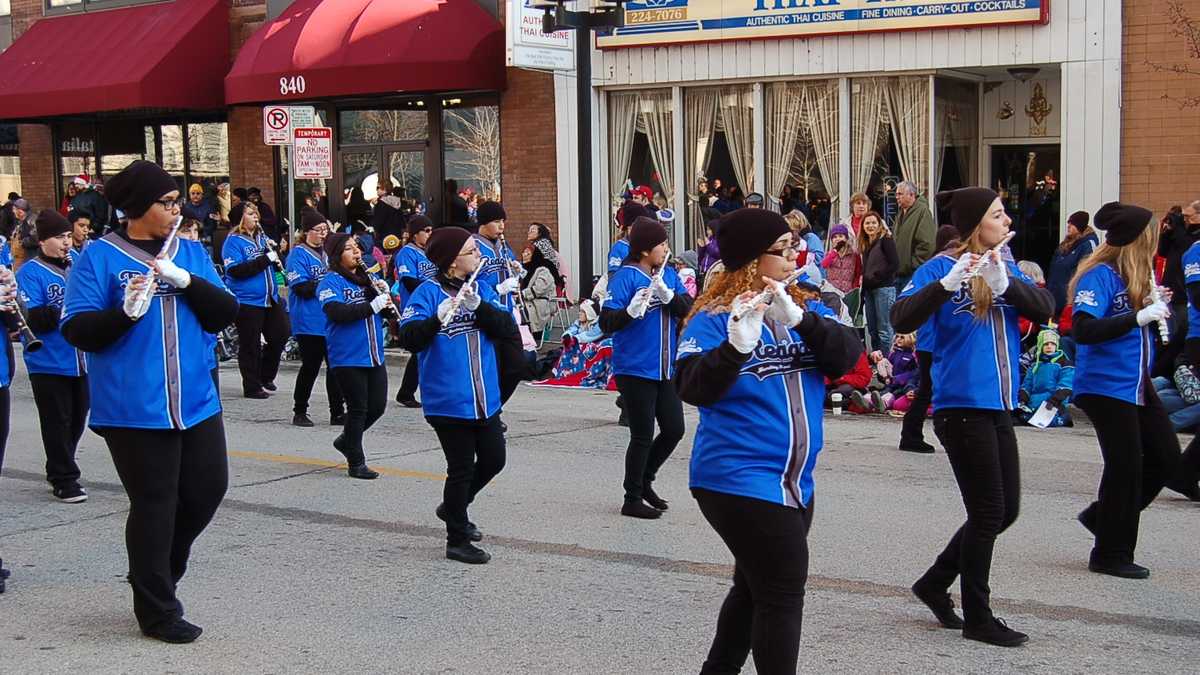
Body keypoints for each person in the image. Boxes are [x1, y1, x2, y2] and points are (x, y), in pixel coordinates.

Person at [674, 207, 861, 674]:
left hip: (796, 481)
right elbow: (692, 386)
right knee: (781, 594)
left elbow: (849, 358)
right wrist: (734, 348)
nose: (795, 253)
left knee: (753, 589)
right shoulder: (714, 318)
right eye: (782, 249)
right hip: (737, 479)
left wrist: (802, 321)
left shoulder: (801, 304)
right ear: (752, 260)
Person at [61, 159, 239, 643]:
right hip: (134, 406)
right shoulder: (99, 257)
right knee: (155, 504)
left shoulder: (190, 251)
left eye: (176, 200)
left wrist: (187, 281)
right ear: (138, 207)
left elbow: (225, 311)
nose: (176, 208)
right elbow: (78, 330)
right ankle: (157, 609)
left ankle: (157, 569)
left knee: (206, 491)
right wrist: (124, 313)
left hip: (196, 399)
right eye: (167, 201)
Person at [892, 186, 1054, 647]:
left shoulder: (1007, 266)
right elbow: (902, 316)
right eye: (997, 215)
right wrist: (946, 285)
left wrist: (1007, 284)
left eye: (1005, 214)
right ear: (974, 224)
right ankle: (979, 616)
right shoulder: (939, 267)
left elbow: (1047, 309)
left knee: (1006, 511)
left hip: (999, 404)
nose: (1006, 222)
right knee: (987, 513)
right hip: (962, 407)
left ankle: (934, 582)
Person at [1070, 202, 1189, 579]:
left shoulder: (1136, 277)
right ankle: (1110, 552)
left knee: (1167, 458)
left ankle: (1103, 518)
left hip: (1136, 382)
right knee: (1126, 467)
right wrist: (1136, 317)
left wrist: (1157, 313)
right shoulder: (1100, 275)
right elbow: (1084, 330)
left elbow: (1140, 334)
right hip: (1105, 385)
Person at [398, 227, 516, 564]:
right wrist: (436, 319)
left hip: (484, 395)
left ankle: (453, 506)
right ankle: (457, 538)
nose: (478, 256)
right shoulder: (427, 293)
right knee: (461, 468)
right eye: (470, 252)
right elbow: (410, 338)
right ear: (451, 263)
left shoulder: (481, 288)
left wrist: (479, 307)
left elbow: (506, 329)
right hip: (447, 400)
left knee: (494, 459)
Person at [599, 216, 692, 519]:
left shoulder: (668, 274)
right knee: (642, 434)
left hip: (665, 366)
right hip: (635, 368)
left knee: (675, 429)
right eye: (661, 244)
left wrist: (670, 297)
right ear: (643, 249)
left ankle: (645, 481)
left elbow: (689, 309)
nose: (666, 249)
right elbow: (607, 322)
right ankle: (632, 497)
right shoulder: (625, 277)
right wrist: (628, 311)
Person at [17, 210, 90, 503]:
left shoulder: (76, 266)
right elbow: (33, 316)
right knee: (56, 421)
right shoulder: (30, 272)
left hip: (80, 359)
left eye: (68, 237)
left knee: (77, 418)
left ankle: (59, 465)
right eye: (59, 237)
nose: (65, 243)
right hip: (48, 360)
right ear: (43, 240)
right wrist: (71, 304)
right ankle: (64, 478)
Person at [318, 232, 395, 480]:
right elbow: (336, 312)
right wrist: (371, 305)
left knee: (377, 406)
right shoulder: (330, 281)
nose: (357, 253)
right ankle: (356, 461)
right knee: (358, 408)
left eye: (357, 248)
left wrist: (384, 299)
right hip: (347, 355)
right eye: (350, 249)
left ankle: (347, 440)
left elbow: (384, 315)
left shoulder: (366, 279)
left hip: (373, 353)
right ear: (337, 255)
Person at [899, 224, 960, 454]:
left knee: (929, 388)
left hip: (929, 339)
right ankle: (912, 433)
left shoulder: (934, 267)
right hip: (935, 340)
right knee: (930, 389)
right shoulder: (940, 268)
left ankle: (912, 433)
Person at [222, 202, 289, 398]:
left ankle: (265, 375)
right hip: (247, 300)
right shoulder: (233, 242)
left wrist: (278, 258)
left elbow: (272, 264)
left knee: (281, 334)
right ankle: (252, 386)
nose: (256, 217)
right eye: (251, 214)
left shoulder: (262, 238)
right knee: (250, 343)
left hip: (270, 297)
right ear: (240, 219)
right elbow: (235, 271)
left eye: (256, 213)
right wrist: (265, 259)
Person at [286, 209, 345, 427]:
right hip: (308, 320)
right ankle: (300, 410)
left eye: (325, 230)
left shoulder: (328, 253)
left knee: (335, 366)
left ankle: (337, 411)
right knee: (310, 366)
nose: (323, 234)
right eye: (318, 230)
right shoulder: (298, 254)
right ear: (306, 232)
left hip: (329, 319)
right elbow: (300, 286)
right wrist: (327, 283)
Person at [393, 215, 437, 408]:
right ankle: (406, 392)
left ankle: (408, 391)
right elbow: (409, 281)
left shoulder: (431, 251)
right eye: (426, 231)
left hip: (434, 304)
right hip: (416, 306)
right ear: (414, 234)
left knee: (427, 349)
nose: (430, 234)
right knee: (419, 349)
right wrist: (431, 288)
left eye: (431, 230)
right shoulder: (406, 253)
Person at [1015, 325, 1074, 427]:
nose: (1049, 346)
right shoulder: (1034, 365)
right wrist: (1022, 400)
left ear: (1057, 346)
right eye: (1046, 344)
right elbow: (1027, 385)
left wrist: (1054, 401)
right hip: (1033, 403)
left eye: (1052, 344)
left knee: (1044, 421)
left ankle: (1063, 417)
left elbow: (1066, 385)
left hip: (1053, 404)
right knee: (1017, 417)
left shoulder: (1064, 363)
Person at [860, 211, 899, 352]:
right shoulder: (865, 245)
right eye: (867, 223)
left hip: (884, 288)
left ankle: (888, 362)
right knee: (872, 329)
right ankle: (878, 361)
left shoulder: (886, 240)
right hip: (869, 290)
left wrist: (877, 277)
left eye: (873, 222)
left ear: (879, 224)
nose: (870, 226)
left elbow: (894, 264)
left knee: (885, 329)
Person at [1046, 211, 1097, 314]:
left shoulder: (1087, 244)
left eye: (1072, 223)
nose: (1068, 226)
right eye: (1068, 223)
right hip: (1055, 299)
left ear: (1080, 226)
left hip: (1070, 302)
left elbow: (1087, 271)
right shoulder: (1064, 245)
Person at [892, 181, 936, 294]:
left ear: (911, 195)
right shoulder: (901, 214)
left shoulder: (922, 212)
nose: (897, 197)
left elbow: (927, 243)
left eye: (900, 194)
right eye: (896, 194)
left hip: (912, 274)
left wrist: (912, 265)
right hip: (899, 274)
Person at [520, 241, 561, 334]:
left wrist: (521, 294)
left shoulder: (543, 271)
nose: (524, 255)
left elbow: (538, 289)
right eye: (523, 252)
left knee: (518, 311)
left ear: (534, 255)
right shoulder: (523, 270)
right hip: (525, 301)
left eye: (528, 253)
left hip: (539, 303)